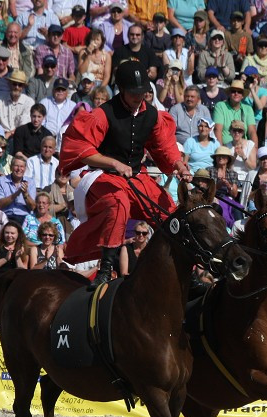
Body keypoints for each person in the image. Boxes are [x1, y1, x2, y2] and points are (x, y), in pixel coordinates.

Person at [59, 60, 190, 285]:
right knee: (119, 204)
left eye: (142, 92)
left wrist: (178, 165)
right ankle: (105, 269)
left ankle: (183, 269)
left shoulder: (153, 116)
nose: (139, 97)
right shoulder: (103, 114)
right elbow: (81, 151)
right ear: (121, 89)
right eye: (133, 93)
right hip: (102, 177)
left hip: (137, 178)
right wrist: (113, 163)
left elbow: (165, 148)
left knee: (169, 212)